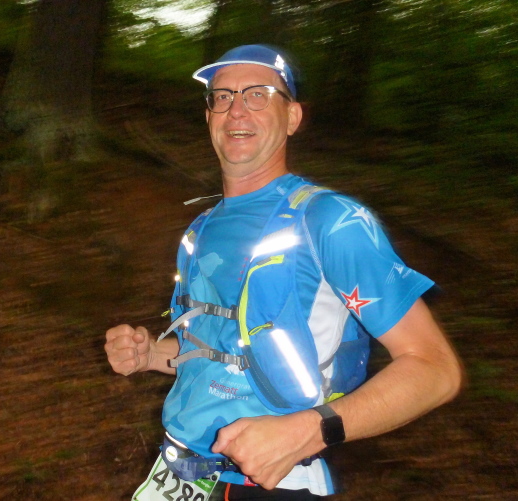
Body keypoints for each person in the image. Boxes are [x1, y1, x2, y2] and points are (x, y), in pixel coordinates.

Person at [105, 44, 462, 500]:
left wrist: (311, 431)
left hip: (270, 485)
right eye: (222, 97)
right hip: (177, 475)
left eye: (258, 94)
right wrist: (152, 355)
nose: (236, 110)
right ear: (209, 116)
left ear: (292, 117)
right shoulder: (202, 229)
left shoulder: (331, 221)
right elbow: (218, 350)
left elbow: (435, 369)